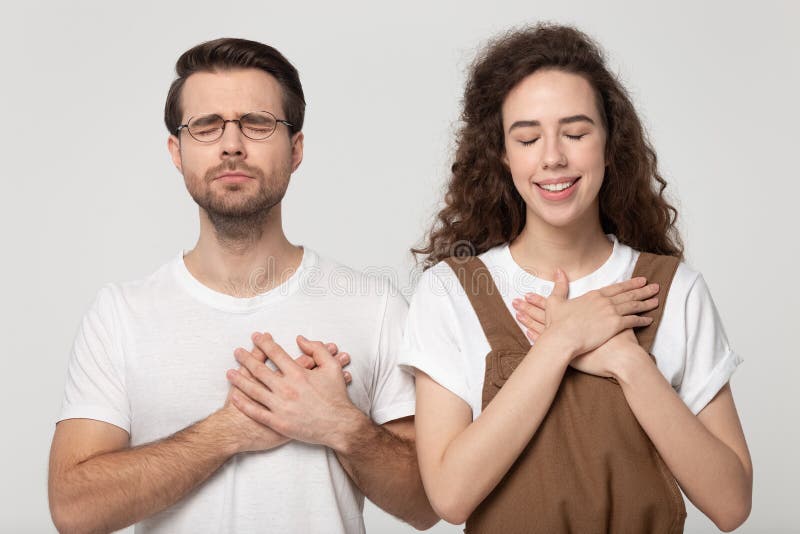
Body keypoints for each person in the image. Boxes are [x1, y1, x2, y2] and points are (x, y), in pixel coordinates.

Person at [48, 37, 437, 534]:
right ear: (177, 150)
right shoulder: (120, 315)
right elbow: (74, 510)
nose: (232, 144)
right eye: (207, 126)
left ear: (295, 149)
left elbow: (427, 504)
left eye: (257, 124)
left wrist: (340, 425)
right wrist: (225, 433)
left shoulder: (374, 306)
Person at [401, 24, 752, 533]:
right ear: (502, 153)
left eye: (576, 132)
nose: (552, 158)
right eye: (527, 137)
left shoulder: (675, 291)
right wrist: (561, 340)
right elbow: (451, 496)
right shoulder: (451, 292)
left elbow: (731, 503)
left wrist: (628, 362)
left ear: (610, 144)